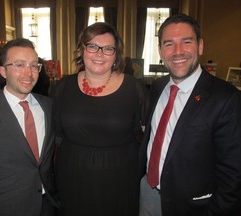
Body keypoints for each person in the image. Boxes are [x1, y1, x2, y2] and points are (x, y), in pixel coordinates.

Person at [138, 13, 241, 216]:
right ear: (160, 50)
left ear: (200, 46)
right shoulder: (158, 86)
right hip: (148, 193)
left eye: (186, 42)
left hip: (192, 206)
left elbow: (234, 175)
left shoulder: (227, 98)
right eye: (169, 44)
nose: (178, 52)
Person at [53, 22, 147, 216]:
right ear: (82, 50)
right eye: (92, 46)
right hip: (73, 173)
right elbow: (57, 133)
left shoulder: (134, 88)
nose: (99, 54)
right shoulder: (63, 86)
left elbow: (148, 135)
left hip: (120, 175)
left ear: (116, 55)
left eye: (108, 48)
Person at [0, 38, 60, 216]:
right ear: (3, 71)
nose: (29, 73)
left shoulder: (49, 106)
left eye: (34, 65)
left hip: (48, 205)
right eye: (19, 65)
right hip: (7, 208)